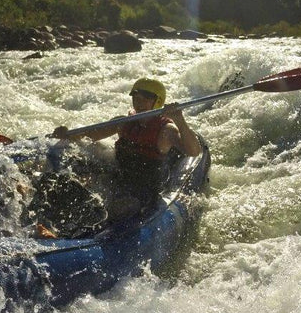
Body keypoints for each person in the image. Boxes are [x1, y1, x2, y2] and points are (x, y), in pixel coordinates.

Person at [51, 78, 201, 222]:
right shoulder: (123, 122)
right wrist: (67, 134)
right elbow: (89, 135)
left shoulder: (166, 130)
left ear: (158, 102)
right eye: (136, 98)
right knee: (74, 166)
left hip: (145, 187)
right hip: (119, 175)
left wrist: (180, 120)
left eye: (146, 99)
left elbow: (194, 151)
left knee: (120, 208)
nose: (139, 103)